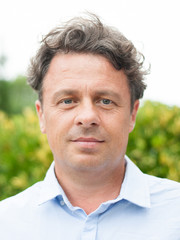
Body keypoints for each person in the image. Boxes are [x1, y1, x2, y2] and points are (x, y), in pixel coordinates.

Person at [0, 13, 180, 240]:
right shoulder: (5, 225)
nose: (87, 117)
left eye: (105, 101)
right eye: (67, 101)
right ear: (42, 115)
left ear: (132, 114)